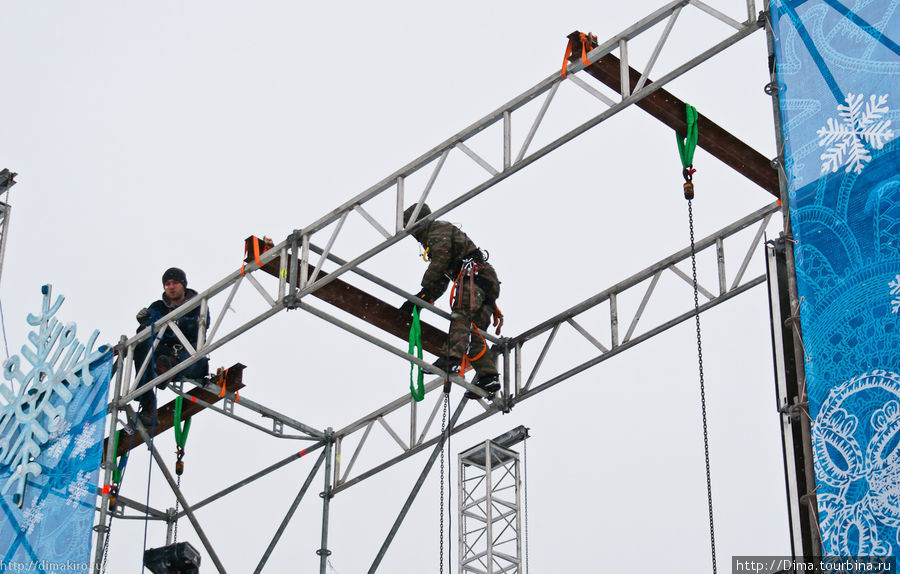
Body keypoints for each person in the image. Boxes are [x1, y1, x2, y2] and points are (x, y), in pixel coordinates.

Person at [399, 204, 504, 396]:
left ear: (418, 224)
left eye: (411, 228)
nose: (412, 234)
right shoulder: (438, 233)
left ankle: (451, 360)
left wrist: (425, 289)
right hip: (485, 281)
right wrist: (424, 297)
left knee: (461, 317)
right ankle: (489, 377)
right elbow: (442, 274)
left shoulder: (437, 231)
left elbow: (441, 261)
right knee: (473, 332)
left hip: (475, 279)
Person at [133, 267, 210, 425]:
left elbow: (201, 325)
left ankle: (167, 369)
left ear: (183, 285)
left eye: (175, 283)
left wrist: (177, 324)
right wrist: (145, 322)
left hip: (190, 354)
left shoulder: (198, 303)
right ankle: (147, 401)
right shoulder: (158, 306)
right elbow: (145, 332)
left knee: (183, 359)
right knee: (140, 346)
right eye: (167, 284)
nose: (171, 286)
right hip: (164, 351)